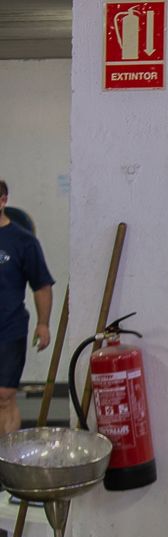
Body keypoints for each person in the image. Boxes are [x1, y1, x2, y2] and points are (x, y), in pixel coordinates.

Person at [0, 180, 54, 436]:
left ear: (3, 201)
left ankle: (5, 462)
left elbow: (41, 286)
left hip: (9, 328)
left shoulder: (23, 242)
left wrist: (43, 324)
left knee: (4, 396)